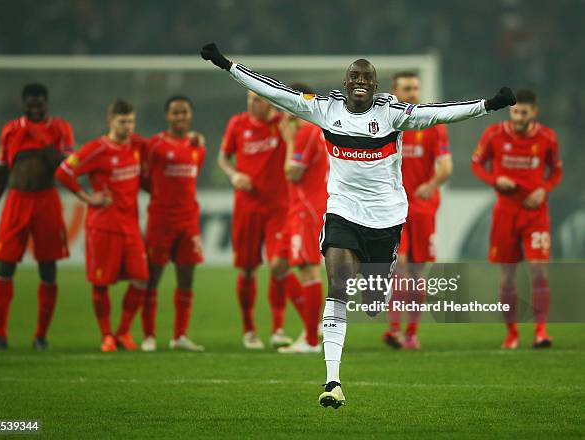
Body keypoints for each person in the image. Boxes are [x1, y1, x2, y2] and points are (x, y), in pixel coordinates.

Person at [201, 42, 516, 408]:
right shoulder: (323, 108)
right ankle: (332, 380)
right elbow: (271, 89)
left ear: (377, 84)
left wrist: (488, 105)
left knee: (372, 302)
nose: (360, 80)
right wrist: (226, 65)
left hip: (386, 218)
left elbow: (439, 113)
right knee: (337, 285)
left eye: (367, 76)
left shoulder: (393, 114)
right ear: (345, 82)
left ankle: (377, 293)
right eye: (355, 76)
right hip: (343, 211)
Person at [55, 99, 148, 352]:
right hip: (104, 226)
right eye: (122, 122)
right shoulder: (96, 149)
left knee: (141, 279)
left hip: (130, 226)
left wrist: (194, 138)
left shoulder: (137, 145)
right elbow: (64, 172)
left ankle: (123, 332)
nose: (127, 127)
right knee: (101, 283)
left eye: (130, 121)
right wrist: (87, 198)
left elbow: (161, 144)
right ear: (110, 121)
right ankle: (106, 335)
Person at [0, 83, 74, 351]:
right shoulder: (11, 130)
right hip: (16, 201)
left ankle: (40, 336)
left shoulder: (60, 128)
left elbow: (68, 167)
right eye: (30, 105)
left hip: (46, 200)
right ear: (23, 104)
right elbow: (1, 172)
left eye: (40, 104)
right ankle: (0, 335)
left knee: (48, 267)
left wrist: (48, 148)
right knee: (5, 266)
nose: (35, 109)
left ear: (46, 104)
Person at [471, 89, 561, 350]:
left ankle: (541, 332)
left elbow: (556, 170)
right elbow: (477, 165)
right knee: (508, 277)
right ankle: (512, 334)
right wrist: (495, 179)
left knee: (538, 270)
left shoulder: (547, 137)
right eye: (514, 112)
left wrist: (544, 188)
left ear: (534, 112)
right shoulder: (494, 135)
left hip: (535, 214)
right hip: (506, 213)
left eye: (523, 112)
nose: (517, 117)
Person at [218, 90, 301, 350]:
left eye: (259, 99)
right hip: (247, 206)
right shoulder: (237, 123)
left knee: (279, 266)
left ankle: (278, 328)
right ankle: (249, 330)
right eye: (250, 99)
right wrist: (233, 175)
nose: (254, 104)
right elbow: (223, 158)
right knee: (247, 268)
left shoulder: (282, 124)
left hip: (278, 207)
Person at [383, 72, 453, 350]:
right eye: (407, 88)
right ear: (394, 91)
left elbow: (446, 166)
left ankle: (411, 332)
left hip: (423, 209)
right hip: (394, 209)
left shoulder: (432, 123)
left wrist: (432, 184)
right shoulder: (387, 123)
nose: (413, 93)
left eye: (416, 88)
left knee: (416, 271)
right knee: (398, 266)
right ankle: (394, 330)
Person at [139, 95, 206, 352]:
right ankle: (149, 336)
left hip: (188, 219)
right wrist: (159, 196)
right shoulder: (155, 145)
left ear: (190, 115)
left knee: (187, 277)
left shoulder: (197, 145)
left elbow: (191, 176)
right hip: (161, 219)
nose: (180, 117)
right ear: (167, 116)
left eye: (184, 112)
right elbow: (143, 178)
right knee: (152, 277)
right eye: (176, 113)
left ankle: (179, 335)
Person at [275, 83, 328, 355]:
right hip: (298, 209)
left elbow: (292, 173)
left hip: (307, 210)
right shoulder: (309, 129)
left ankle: (309, 339)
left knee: (308, 270)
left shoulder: (307, 131)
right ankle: (314, 323)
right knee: (279, 266)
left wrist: (289, 141)